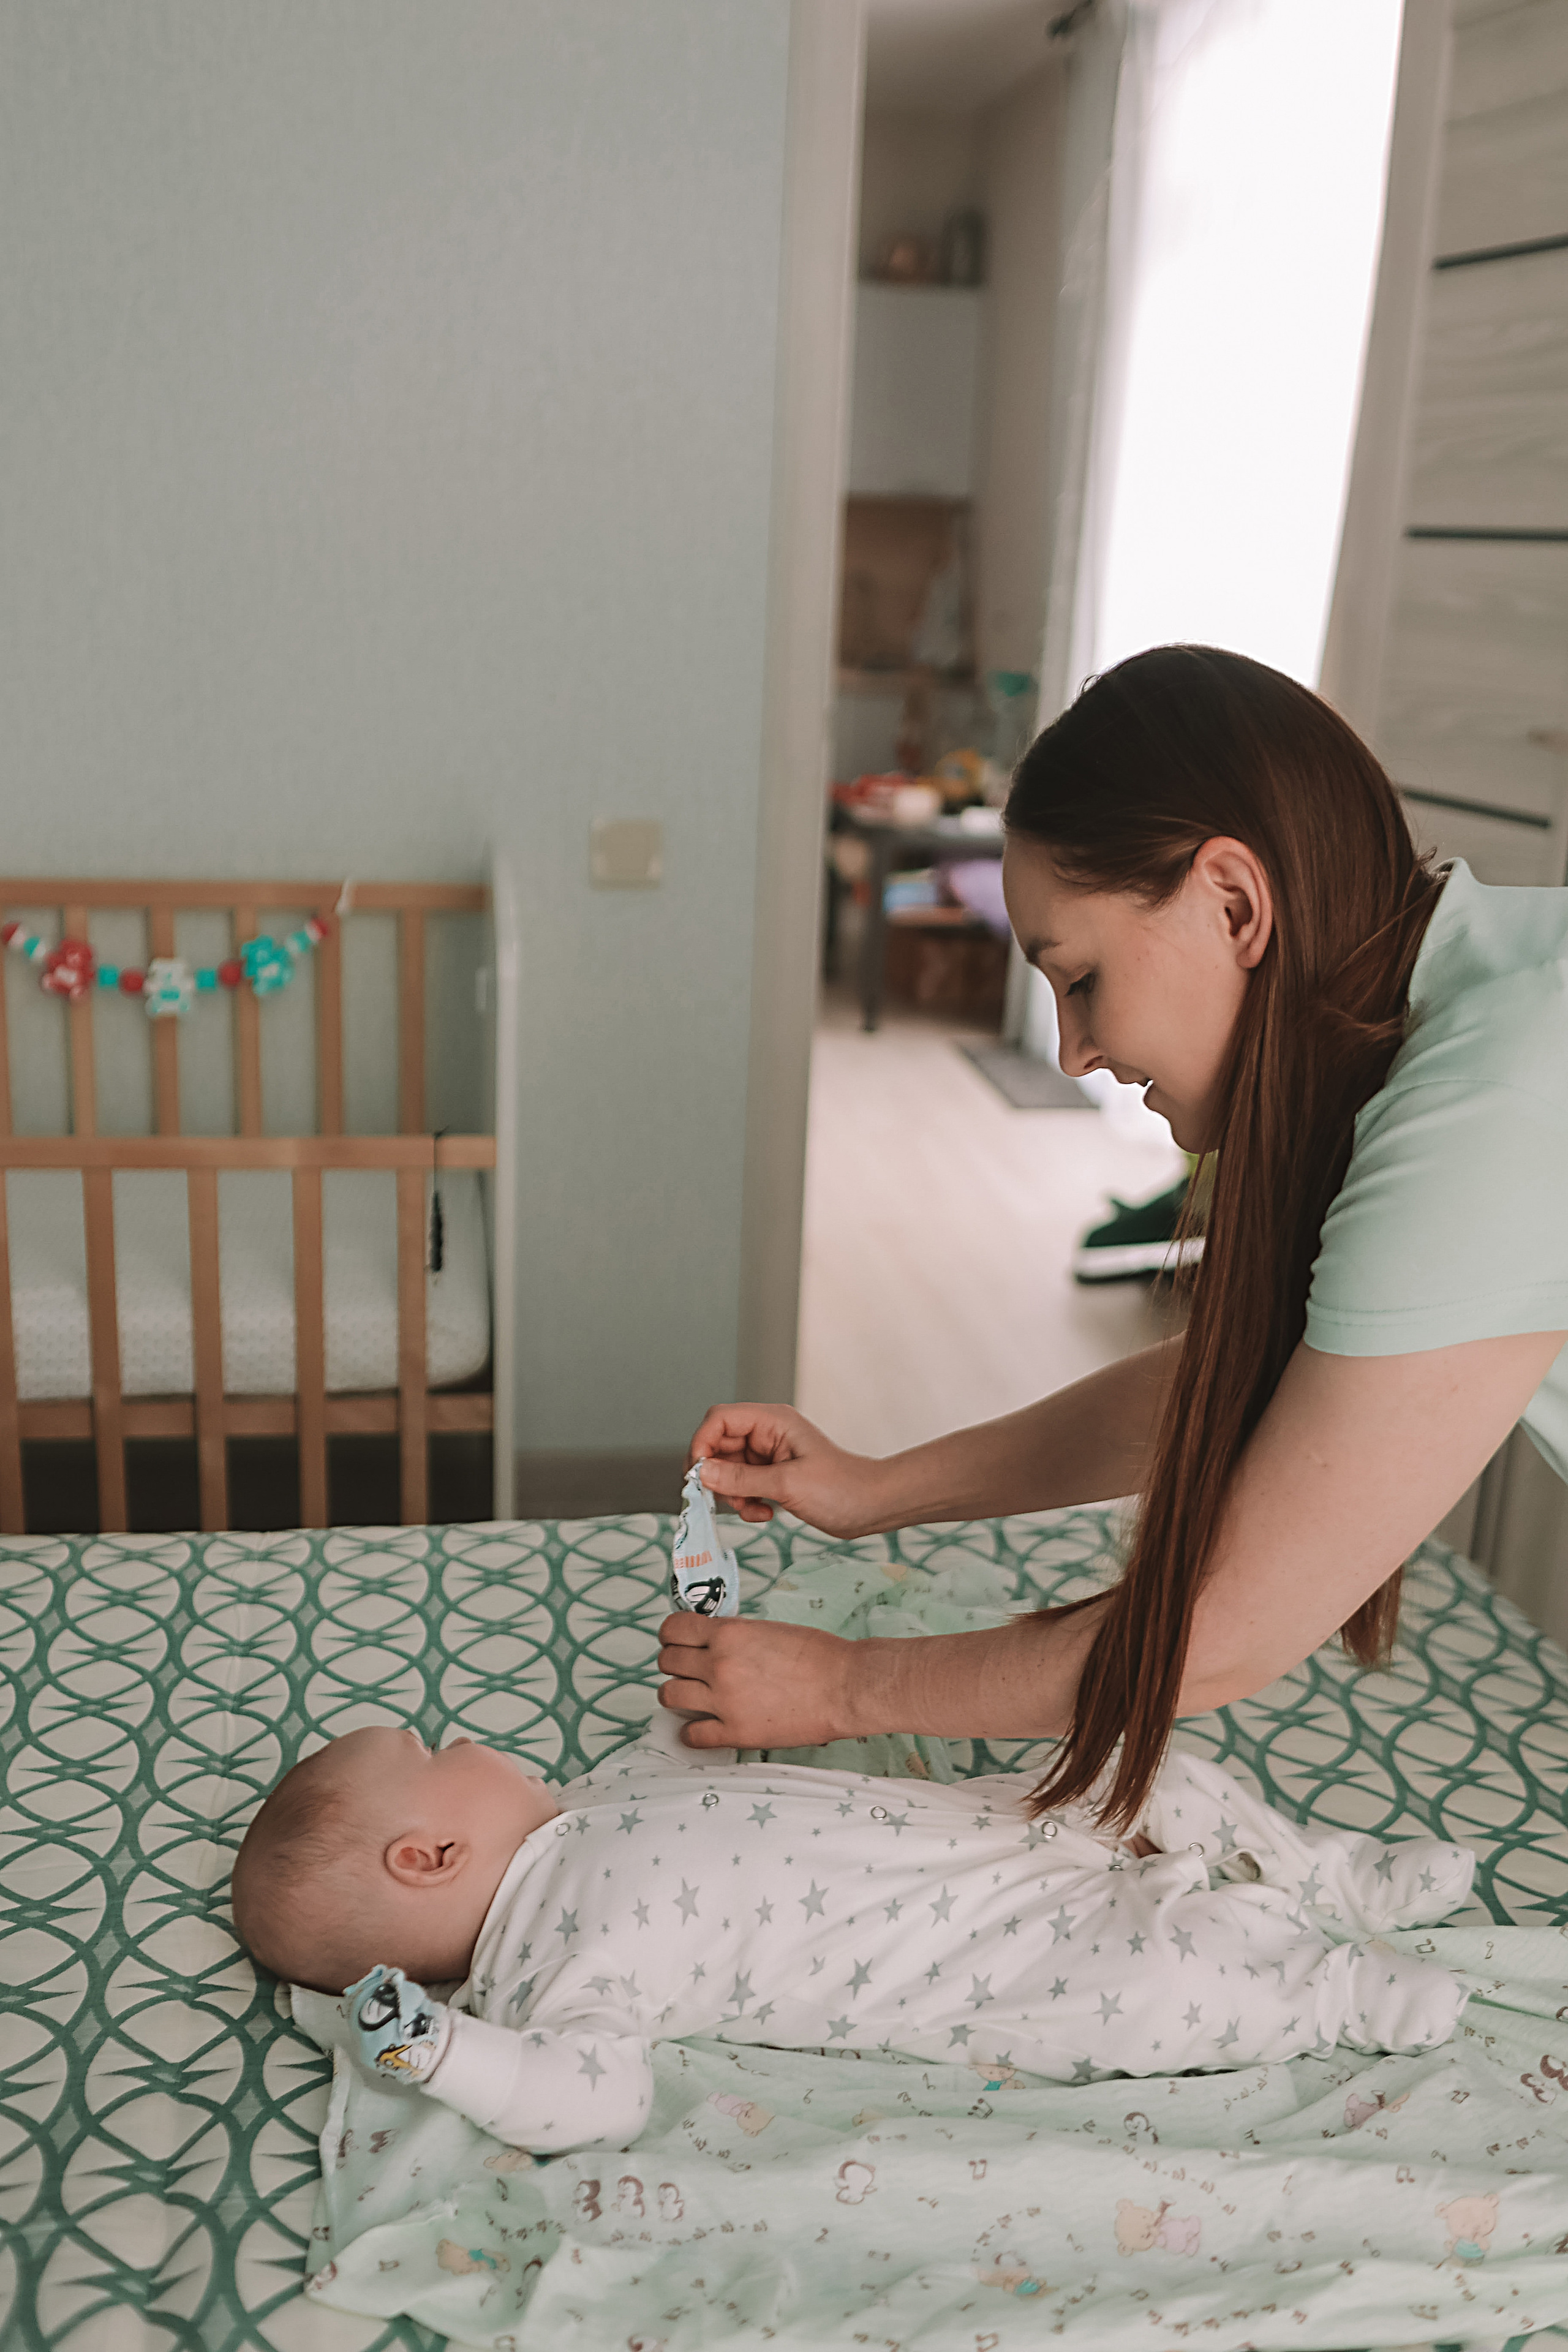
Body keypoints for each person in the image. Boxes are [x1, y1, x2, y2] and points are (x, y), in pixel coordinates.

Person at [658, 647, 1568, 1827]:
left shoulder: (1490, 1107)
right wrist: (877, 1490)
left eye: (1080, 978)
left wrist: (843, 1687)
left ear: (1234, 903)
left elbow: (1219, 1631)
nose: (1073, 1049)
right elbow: (1252, 1377)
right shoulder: (1458, 1024)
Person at [231, 1711, 1473, 2154]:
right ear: (428, 1857)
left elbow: (677, 1759)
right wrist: (447, 2053)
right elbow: (593, 2099)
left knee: (1144, 1767)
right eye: (436, 1748)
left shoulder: (585, 1805)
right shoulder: (553, 1969)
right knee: (1159, 1986)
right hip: (992, 1957)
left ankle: (1332, 1874)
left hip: (999, 1824)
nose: (469, 1738)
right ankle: (1335, 1991)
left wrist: (694, 1684)